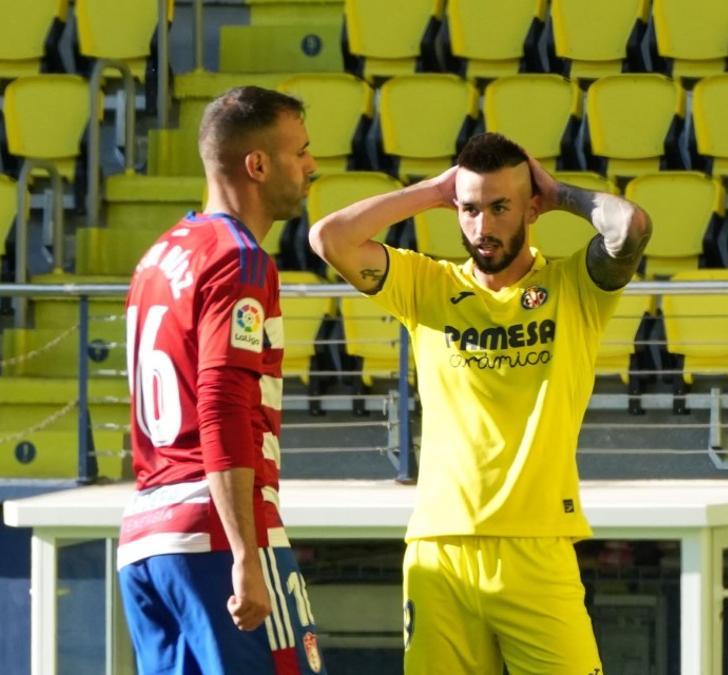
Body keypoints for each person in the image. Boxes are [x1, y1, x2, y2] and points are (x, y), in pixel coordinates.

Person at [309, 132, 651, 673]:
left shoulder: (573, 288)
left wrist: (559, 193)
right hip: (438, 552)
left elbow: (628, 227)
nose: (483, 227)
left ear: (530, 208)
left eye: (499, 208)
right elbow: (330, 238)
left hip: (538, 551)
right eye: (469, 210)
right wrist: (434, 190)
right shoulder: (426, 285)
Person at [119, 86, 326, 674]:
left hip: (145, 535)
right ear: (257, 165)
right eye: (301, 152)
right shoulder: (239, 258)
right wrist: (244, 552)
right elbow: (221, 402)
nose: (312, 167)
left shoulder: (159, 256)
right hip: (216, 533)